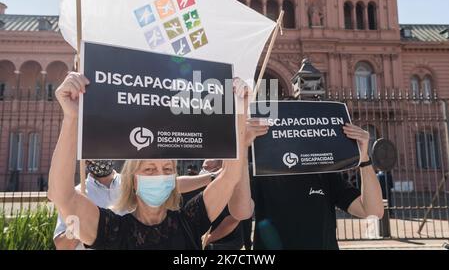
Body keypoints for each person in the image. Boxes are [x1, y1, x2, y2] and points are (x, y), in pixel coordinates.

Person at [48, 72, 253, 250]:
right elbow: (62, 195)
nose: (160, 175)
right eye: (149, 169)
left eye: (167, 169)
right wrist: (72, 118)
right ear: (133, 180)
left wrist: (239, 110)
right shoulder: (113, 230)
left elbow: (230, 175)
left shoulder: (190, 220)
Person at [252, 121, 384, 250]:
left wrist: (364, 158)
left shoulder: (324, 173)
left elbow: (372, 212)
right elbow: (239, 213)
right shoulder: (259, 172)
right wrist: (241, 146)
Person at [53, 160, 220, 250]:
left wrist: (211, 178)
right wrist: (82, 223)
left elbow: (172, 183)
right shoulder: (78, 194)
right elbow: (62, 245)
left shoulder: (131, 181)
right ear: (85, 159)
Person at [53, 160, 121, 250]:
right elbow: (62, 246)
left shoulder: (132, 186)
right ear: (85, 160)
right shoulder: (75, 196)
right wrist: (79, 224)